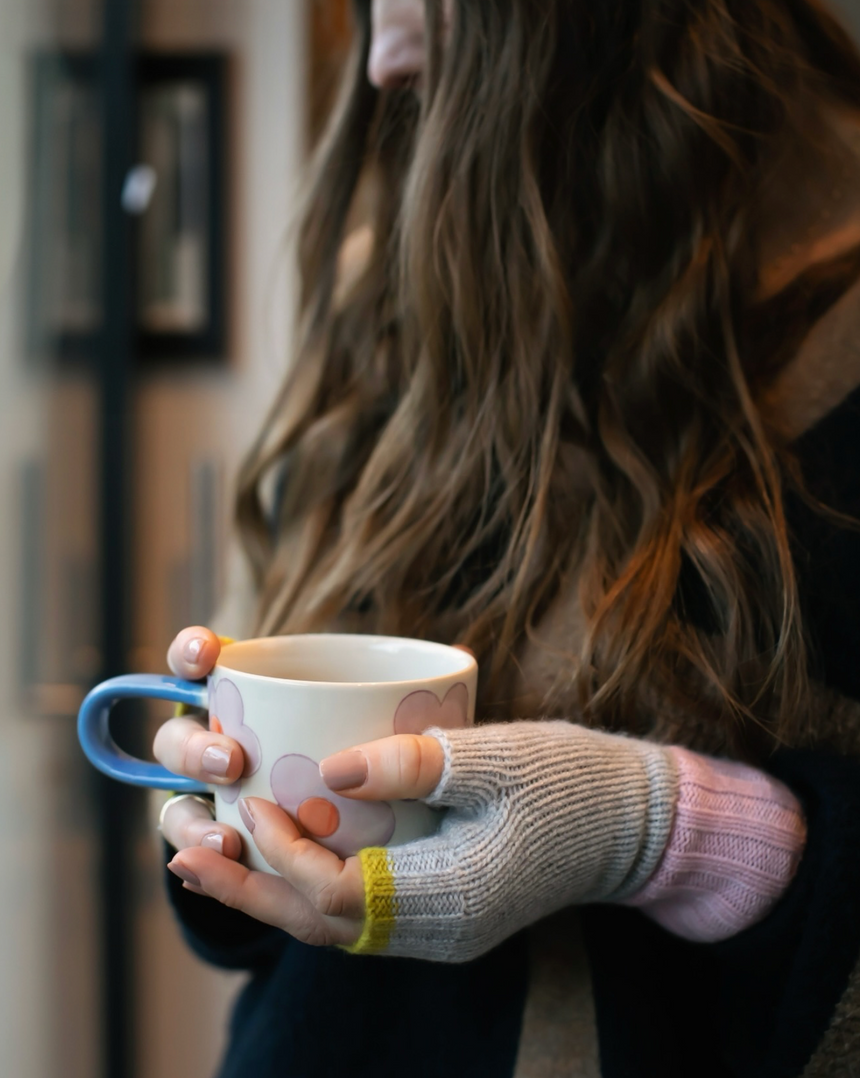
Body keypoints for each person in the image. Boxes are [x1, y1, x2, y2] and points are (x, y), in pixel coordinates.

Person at [152, 1, 860, 1074]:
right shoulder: (396, 294)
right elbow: (286, 945)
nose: (381, 59)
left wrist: (666, 833)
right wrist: (228, 818)